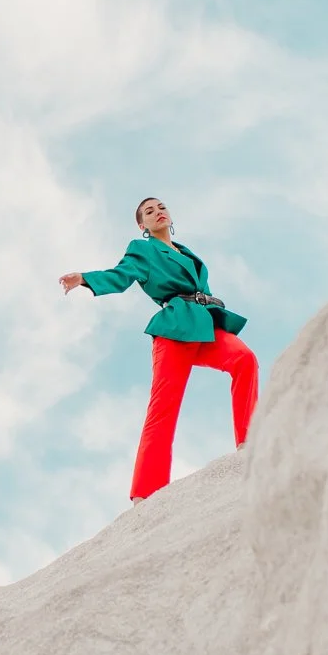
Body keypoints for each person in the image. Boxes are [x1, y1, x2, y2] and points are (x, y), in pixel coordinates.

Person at [59, 196, 259, 503]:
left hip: (205, 324)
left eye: (161, 207)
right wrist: (86, 279)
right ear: (143, 226)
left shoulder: (188, 253)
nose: (158, 212)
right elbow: (121, 275)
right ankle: (145, 492)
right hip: (175, 330)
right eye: (149, 212)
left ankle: (250, 442)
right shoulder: (143, 249)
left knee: (244, 359)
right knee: (164, 406)